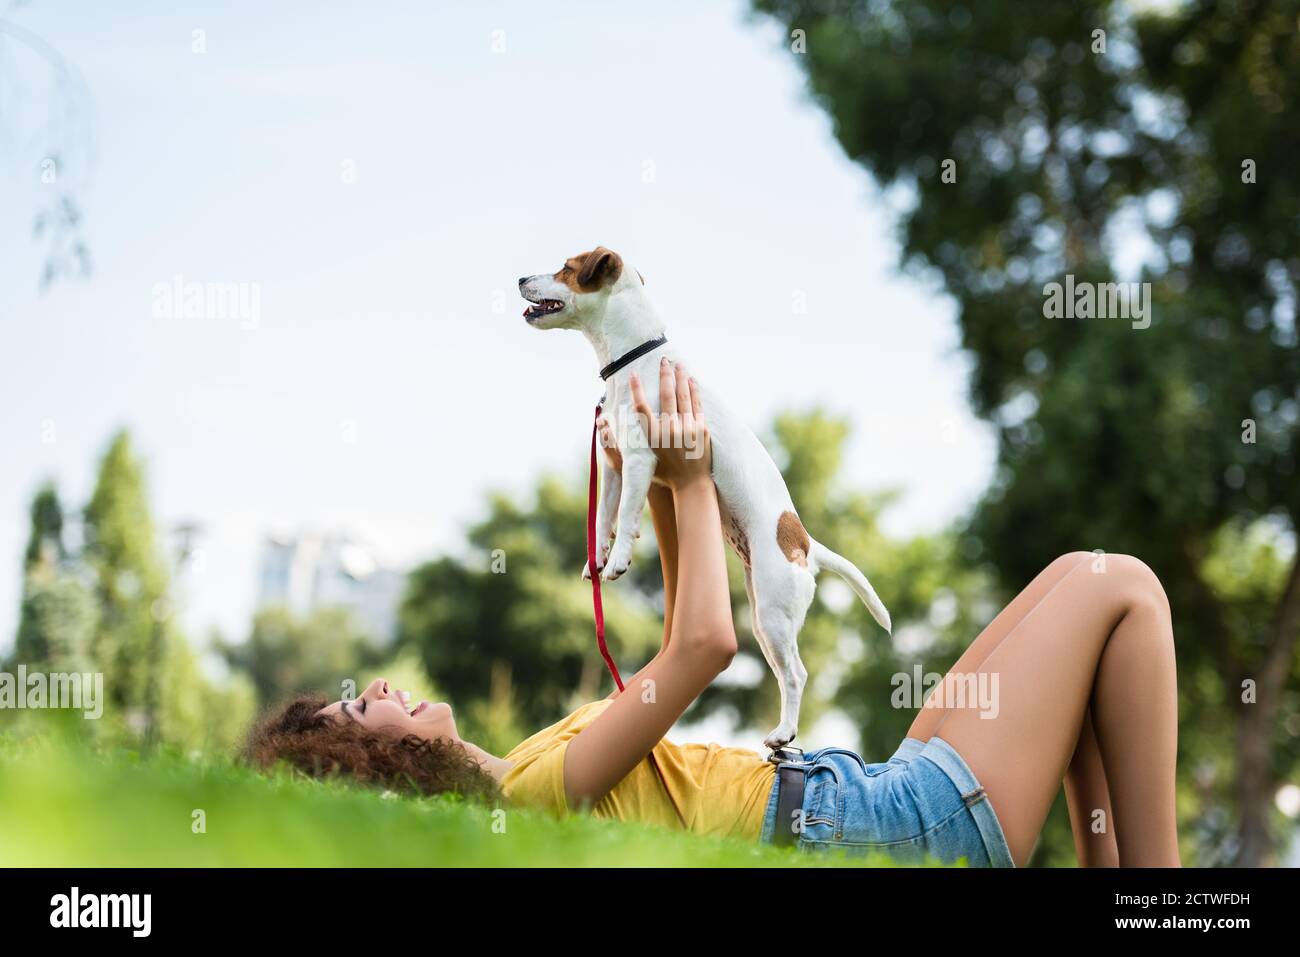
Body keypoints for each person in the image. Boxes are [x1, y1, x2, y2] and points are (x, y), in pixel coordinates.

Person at [244, 360, 1181, 867]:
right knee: (1121, 586)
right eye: (353, 708)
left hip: (856, 798)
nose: (370, 687)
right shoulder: (528, 801)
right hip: (885, 827)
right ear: (386, 765)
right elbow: (703, 646)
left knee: (1076, 588)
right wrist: (690, 479)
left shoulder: (530, 769)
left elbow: (673, 642)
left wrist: (660, 478)